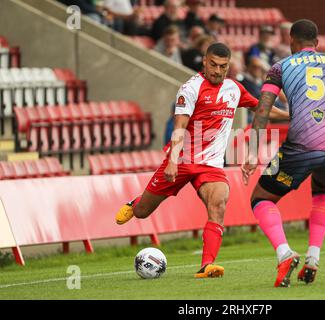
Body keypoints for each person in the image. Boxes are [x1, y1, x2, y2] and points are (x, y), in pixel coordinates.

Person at [115, 43, 290, 279]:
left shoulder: (234, 88)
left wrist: (291, 114)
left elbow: (262, 106)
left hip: (211, 165)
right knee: (144, 211)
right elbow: (180, 126)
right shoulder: (190, 88)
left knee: (218, 202)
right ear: (205, 62)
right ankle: (135, 203)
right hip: (183, 159)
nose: (218, 71)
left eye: (224, 66)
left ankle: (207, 265)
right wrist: (173, 160)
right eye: (214, 65)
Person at [241, 19, 325, 287]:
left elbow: (262, 110)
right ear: (317, 44)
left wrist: (251, 152)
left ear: (292, 41)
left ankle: (284, 254)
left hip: (302, 147)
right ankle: (313, 258)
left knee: (261, 199)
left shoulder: (280, 68)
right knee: (322, 191)